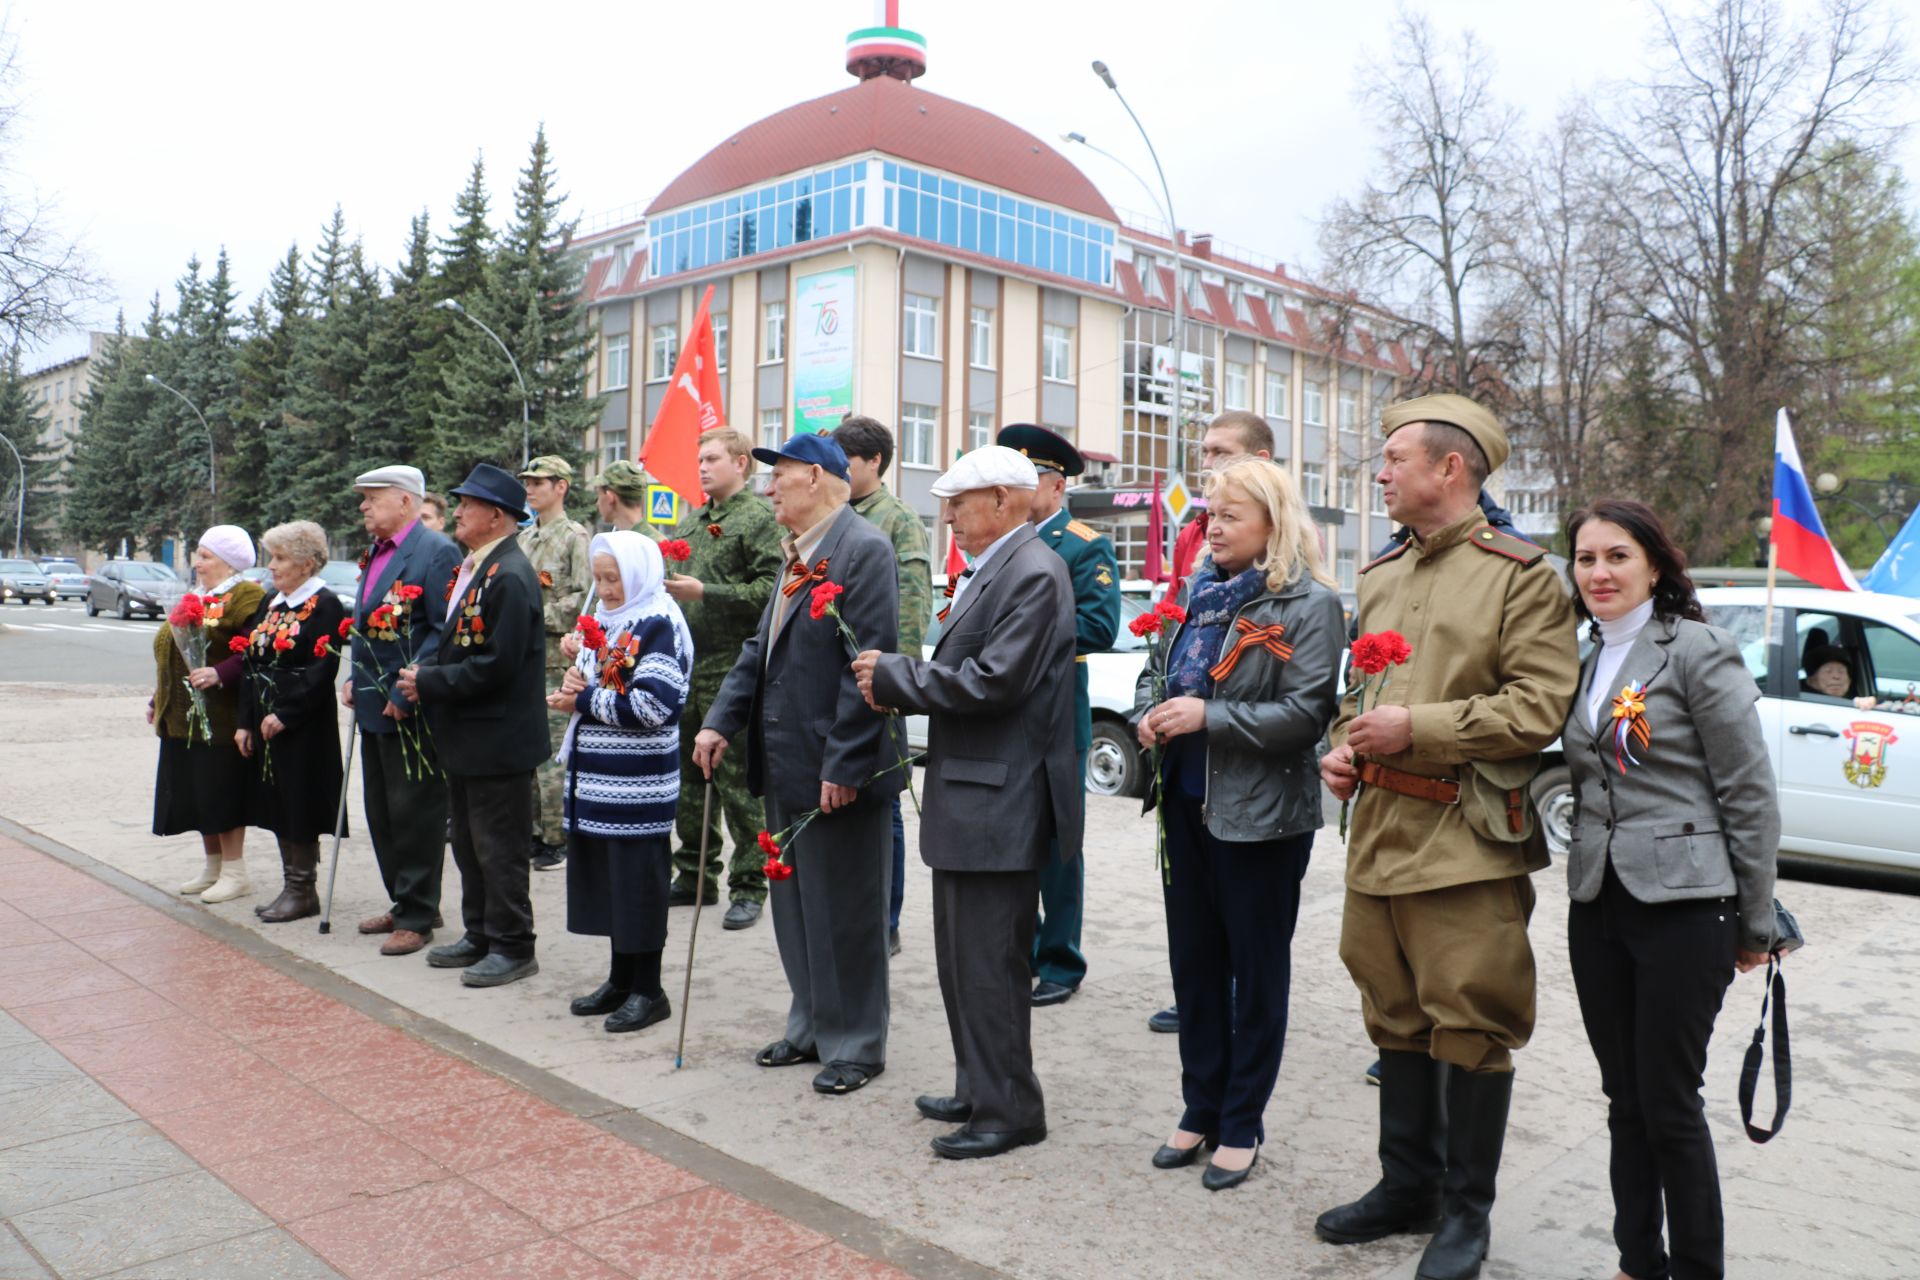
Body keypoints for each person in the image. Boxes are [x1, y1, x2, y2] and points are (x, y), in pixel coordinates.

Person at [1315, 394, 1578, 1280]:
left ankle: (1466, 1215)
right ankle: (1408, 1185)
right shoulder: (1382, 572)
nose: (1380, 474)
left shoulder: (1522, 575)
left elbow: (1540, 708)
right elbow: (1361, 699)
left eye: (1393, 459)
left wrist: (1416, 729)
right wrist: (1340, 751)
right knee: (1392, 1012)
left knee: (1471, 1020)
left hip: (1464, 835)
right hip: (1379, 828)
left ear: (1449, 469)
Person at [1563, 499, 1780, 1280]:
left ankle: (1695, 1267)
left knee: (1669, 1101)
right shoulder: (1584, 659)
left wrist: (1756, 919)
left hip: (1688, 910)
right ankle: (1636, 1262)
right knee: (1624, 1098)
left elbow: (1748, 793)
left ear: (1654, 564)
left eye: (1617, 556)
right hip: (1596, 904)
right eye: (1586, 558)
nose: (1599, 572)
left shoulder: (1697, 649)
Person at [853, 445, 1078, 1159]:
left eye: (959, 501)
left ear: (1005, 502)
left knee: (989, 963)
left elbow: (992, 682)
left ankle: (1011, 1110)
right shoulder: (1002, 567)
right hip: (975, 797)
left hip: (999, 801)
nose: (946, 514)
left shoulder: (1033, 571)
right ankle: (980, 1084)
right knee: (962, 960)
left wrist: (896, 677)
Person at [1134, 459, 1346, 1190]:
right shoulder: (1200, 591)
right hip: (1185, 808)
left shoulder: (1309, 603)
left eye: (1229, 516)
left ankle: (1242, 1119)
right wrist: (1152, 714)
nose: (1213, 528)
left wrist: (1207, 717)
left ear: (1273, 524)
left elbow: (1304, 716)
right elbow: (1161, 673)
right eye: (1209, 516)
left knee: (1254, 973)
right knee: (1194, 967)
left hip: (1259, 819)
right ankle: (1200, 1105)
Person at [693, 433, 902, 1096]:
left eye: (778, 475)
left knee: (846, 910)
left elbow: (864, 671)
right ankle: (811, 1023)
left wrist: (843, 764)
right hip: (783, 760)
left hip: (834, 770)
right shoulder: (796, 557)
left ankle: (858, 1043)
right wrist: (719, 721)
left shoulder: (863, 549)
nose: (769, 487)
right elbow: (760, 650)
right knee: (797, 906)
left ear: (815, 477)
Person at [398, 465, 550, 989]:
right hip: (471, 736)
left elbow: (498, 665)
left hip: (498, 739)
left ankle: (513, 945)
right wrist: (431, 675)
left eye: (467, 504)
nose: (457, 512)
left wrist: (431, 682)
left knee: (499, 848)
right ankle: (481, 932)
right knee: (467, 841)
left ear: (496, 516)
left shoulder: (509, 574)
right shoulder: (481, 566)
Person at [1150, 411, 1275, 1035]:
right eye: (1204, 453)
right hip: (1187, 763)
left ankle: (1233, 1003)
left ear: (1260, 460)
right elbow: (1174, 634)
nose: (1209, 464)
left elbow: (1301, 707)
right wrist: (1158, 702)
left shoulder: (1285, 564)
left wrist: (1210, 711)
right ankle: (1201, 992)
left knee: (1246, 925)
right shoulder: (1198, 542)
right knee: (1193, 920)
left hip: (1246, 773)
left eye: (1223, 453)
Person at [552, 531, 694, 1034]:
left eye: (614, 579)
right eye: (600, 578)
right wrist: (576, 683)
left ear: (639, 574)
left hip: (638, 786)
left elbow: (655, 706)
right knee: (613, 886)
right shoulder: (614, 620)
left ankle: (649, 990)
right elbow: (601, 683)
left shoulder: (659, 622)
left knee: (638, 888)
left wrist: (583, 700)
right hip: (599, 782)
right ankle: (619, 979)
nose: (606, 589)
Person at [998, 423, 1120, 1008]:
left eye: (1024, 480)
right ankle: (1019, 952)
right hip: (1001, 713)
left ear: (1054, 485)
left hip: (1053, 717)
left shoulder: (1081, 543)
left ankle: (1061, 962)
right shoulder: (1003, 540)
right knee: (1011, 842)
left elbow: (1099, 627)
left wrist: (1021, 641)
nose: (1013, 492)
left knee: (1056, 848)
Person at [661, 427, 786, 930]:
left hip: (734, 668)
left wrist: (705, 592)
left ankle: (751, 883)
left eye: (713, 458)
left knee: (736, 783)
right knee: (690, 779)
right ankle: (693, 874)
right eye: (700, 460)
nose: (703, 468)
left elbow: (770, 591)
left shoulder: (757, 518)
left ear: (741, 463)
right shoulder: (692, 524)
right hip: (688, 666)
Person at [342, 465, 462, 957]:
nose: (364, 507)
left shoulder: (437, 551)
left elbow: (442, 628)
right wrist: (354, 674)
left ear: (406, 502)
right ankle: (408, 899)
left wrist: (407, 683)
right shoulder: (375, 552)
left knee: (415, 810)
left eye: (373, 498)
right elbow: (367, 624)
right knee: (382, 811)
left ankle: (418, 913)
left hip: (410, 701)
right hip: (372, 700)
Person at [833, 414, 933, 958]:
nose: (837, 469)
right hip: (836, 679)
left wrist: (899, 679)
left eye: (845, 459)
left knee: (884, 799)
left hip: (880, 681)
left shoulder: (897, 520)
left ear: (874, 462)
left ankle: (886, 919)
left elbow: (913, 605)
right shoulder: (835, 515)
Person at [236, 521, 348, 924]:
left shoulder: (325, 604)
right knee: (279, 802)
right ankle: (292, 885)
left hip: (302, 726)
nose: (272, 566)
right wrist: (246, 721)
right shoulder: (271, 602)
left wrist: (286, 713)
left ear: (306, 563)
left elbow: (322, 669)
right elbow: (252, 663)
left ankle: (303, 889)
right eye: (272, 556)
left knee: (300, 802)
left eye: (280, 558)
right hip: (265, 722)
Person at [151, 524, 266, 904]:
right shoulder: (197, 596)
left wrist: (220, 672)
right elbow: (176, 652)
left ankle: (236, 872)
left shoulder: (246, 596)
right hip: (184, 718)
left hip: (221, 716)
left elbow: (254, 651)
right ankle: (213, 866)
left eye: (205, 555)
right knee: (198, 792)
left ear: (229, 562)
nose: (196, 563)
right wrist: (160, 697)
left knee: (222, 792)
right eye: (198, 554)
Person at [519, 455, 592, 873]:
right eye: (528, 482)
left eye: (539, 482)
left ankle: (556, 839)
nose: (531, 489)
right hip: (525, 660)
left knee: (552, 757)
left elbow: (583, 599)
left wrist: (533, 617)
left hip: (552, 659)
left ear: (561, 486)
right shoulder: (527, 538)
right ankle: (533, 831)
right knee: (529, 751)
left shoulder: (574, 537)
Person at [594, 460, 656, 535]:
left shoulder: (615, 544)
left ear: (610, 497)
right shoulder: (655, 542)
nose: (597, 503)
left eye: (599, 494)